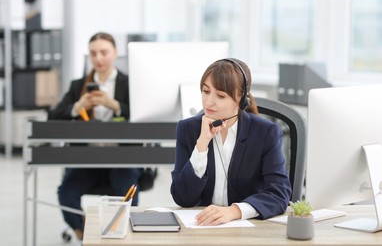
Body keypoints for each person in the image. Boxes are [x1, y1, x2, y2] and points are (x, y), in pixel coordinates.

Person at [170, 58, 291, 226]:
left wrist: (235, 211)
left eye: (220, 95)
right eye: (205, 91)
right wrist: (202, 144)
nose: (208, 101)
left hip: (250, 230)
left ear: (241, 99)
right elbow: (182, 197)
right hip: (201, 228)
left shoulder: (266, 133)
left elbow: (279, 194)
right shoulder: (187, 129)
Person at [49, 32, 143, 240]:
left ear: (115, 53)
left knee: (127, 192)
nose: (98, 58)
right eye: (93, 53)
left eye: (104, 52)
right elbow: (54, 115)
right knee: (66, 193)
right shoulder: (78, 86)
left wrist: (114, 105)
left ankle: (120, 234)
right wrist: (77, 107)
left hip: (122, 159)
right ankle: (84, 233)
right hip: (87, 159)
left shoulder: (129, 84)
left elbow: (143, 114)